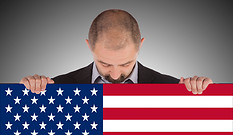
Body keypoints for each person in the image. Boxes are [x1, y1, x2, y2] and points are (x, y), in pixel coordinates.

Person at [20, 9, 213, 94]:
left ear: (140, 45)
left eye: (125, 64)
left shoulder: (173, 89)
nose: (115, 75)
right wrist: (28, 91)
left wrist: (204, 93)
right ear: (89, 46)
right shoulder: (57, 88)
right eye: (104, 63)